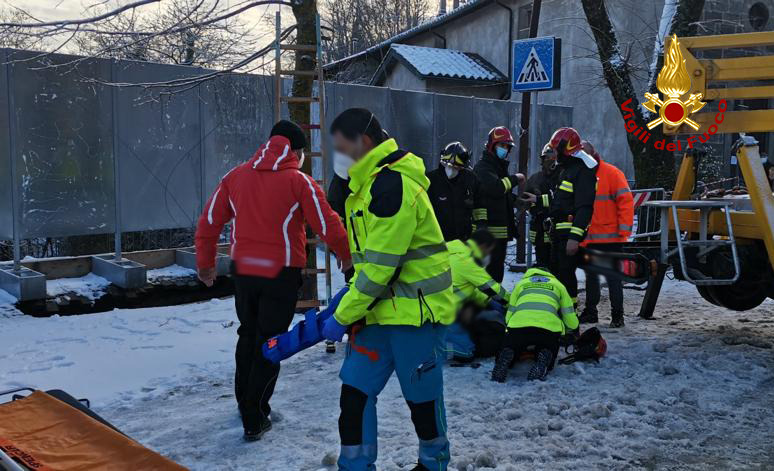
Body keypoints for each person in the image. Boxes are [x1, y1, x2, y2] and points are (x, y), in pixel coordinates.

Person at [195, 120, 352, 441]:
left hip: (245, 271)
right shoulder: (299, 182)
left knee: (248, 333)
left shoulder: (235, 177)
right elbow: (327, 222)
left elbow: (209, 222)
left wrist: (205, 264)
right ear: (295, 151)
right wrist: (345, 253)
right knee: (270, 340)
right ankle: (255, 415)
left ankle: (245, 403)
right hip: (279, 274)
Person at [320, 108, 455, 471]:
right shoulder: (364, 188)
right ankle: (355, 466)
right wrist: (350, 305)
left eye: (341, 147)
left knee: (422, 402)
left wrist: (342, 315)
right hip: (377, 314)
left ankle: (433, 464)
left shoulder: (393, 186)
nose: (338, 156)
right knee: (355, 395)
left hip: (415, 316)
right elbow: (367, 267)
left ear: (364, 142)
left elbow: (381, 269)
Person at [522, 127, 597, 308]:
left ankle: (570, 315)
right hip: (557, 235)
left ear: (565, 148)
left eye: (556, 149)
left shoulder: (582, 172)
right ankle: (558, 314)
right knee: (556, 275)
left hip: (568, 234)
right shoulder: (566, 170)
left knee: (566, 277)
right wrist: (538, 200)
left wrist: (574, 238)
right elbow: (559, 200)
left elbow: (584, 208)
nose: (554, 154)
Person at [579, 140, 634, 328]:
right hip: (591, 239)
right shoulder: (584, 175)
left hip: (610, 239)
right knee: (593, 278)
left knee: (612, 279)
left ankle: (617, 316)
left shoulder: (612, 174)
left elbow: (626, 203)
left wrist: (624, 231)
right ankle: (592, 312)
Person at [491, 266, 579, 382]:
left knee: (511, 345)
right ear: (548, 274)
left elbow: (510, 312)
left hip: (519, 326)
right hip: (548, 328)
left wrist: (510, 326)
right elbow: (570, 318)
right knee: (548, 347)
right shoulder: (558, 285)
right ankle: (543, 355)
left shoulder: (521, 284)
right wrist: (571, 328)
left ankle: (507, 354)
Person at [445, 230, 510, 360]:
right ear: (482, 246)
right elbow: (493, 289)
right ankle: (432, 348)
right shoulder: (468, 260)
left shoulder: (453, 251)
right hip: (446, 314)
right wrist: (513, 303)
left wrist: (488, 301)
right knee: (467, 352)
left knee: (494, 307)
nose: (488, 255)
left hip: (440, 307)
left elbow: (468, 289)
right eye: (488, 251)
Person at [472, 126, 525, 282]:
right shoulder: (483, 167)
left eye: (507, 147)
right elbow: (496, 188)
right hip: (488, 232)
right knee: (489, 274)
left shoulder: (498, 167)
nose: (505, 150)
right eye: (501, 145)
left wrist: (518, 201)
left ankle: (494, 303)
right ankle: (487, 304)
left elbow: (502, 195)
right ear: (491, 145)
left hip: (499, 233)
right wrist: (516, 178)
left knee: (496, 272)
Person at [427, 141, 479, 241]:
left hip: (464, 240)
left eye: (456, 166)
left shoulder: (471, 179)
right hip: (438, 241)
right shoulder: (430, 180)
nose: (451, 169)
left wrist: (478, 229)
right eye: (448, 164)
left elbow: (480, 204)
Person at [523, 143, 559, 267]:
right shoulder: (535, 179)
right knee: (542, 265)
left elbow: (561, 201)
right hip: (539, 232)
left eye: (553, 159)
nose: (550, 162)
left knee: (558, 268)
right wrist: (535, 209)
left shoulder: (563, 178)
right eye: (547, 158)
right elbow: (525, 202)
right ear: (542, 160)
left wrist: (539, 200)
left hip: (558, 234)